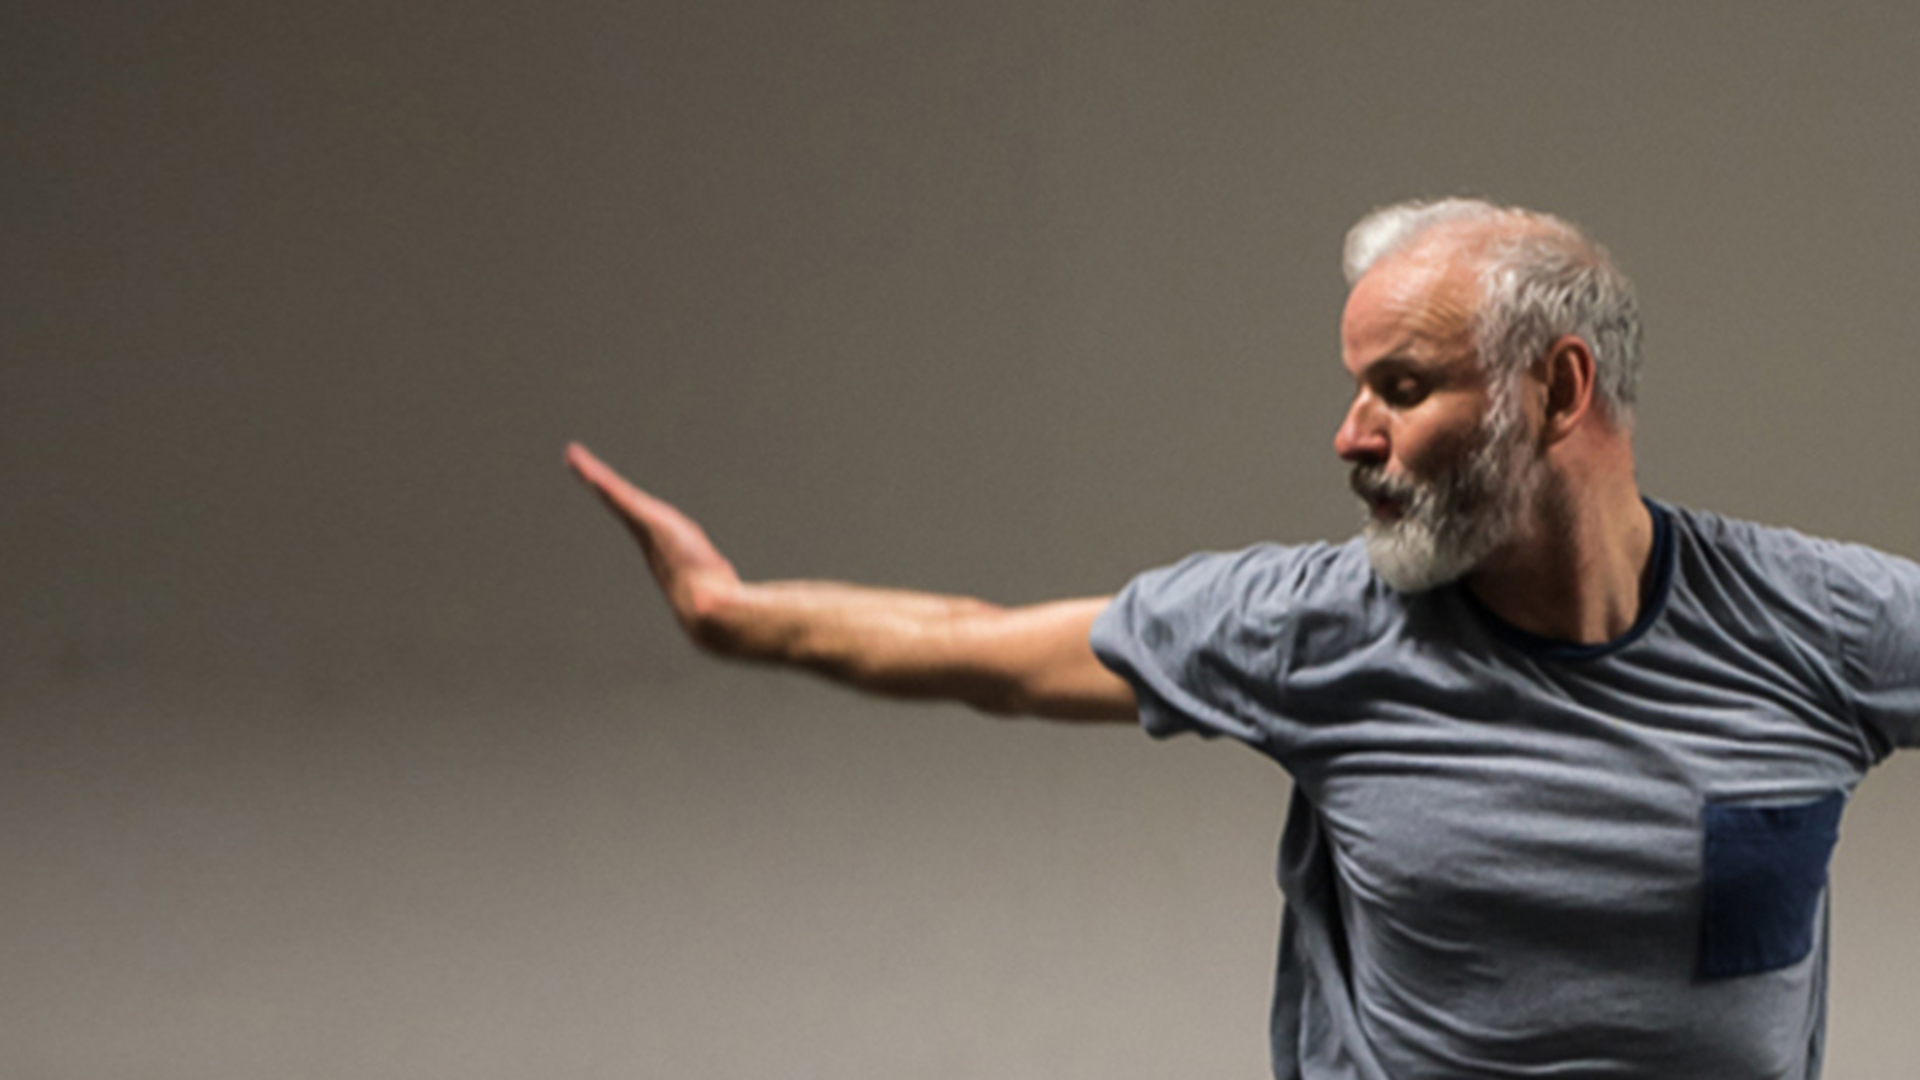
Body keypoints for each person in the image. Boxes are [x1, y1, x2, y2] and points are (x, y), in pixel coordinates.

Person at [567, 198, 1920, 1080]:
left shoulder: (1817, 626)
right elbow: (983, 646)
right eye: (1354, 390)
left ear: (1558, 389)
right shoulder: (1317, 631)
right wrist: (736, 616)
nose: (1351, 435)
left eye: (1401, 388)